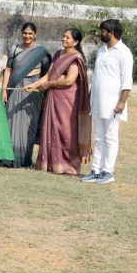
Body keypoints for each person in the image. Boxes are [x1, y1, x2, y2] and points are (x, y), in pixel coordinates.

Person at [24, 28, 91, 176]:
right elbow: (49, 76)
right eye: (63, 36)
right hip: (53, 97)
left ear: (76, 41)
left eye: (67, 37)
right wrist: (34, 85)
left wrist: (49, 85)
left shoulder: (76, 58)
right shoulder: (58, 54)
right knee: (52, 129)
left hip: (68, 100)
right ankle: (50, 164)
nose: (64, 39)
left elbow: (69, 80)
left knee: (66, 130)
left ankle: (68, 166)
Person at [81, 19, 133, 185]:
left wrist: (122, 102)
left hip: (113, 104)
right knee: (98, 137)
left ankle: (107, 171)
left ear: (112, 33)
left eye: (104, 31)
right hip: (97, 101)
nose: (101, 33)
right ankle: (95, 170)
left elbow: (127, 81)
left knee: (110, 137)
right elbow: (96, 77)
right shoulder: (101, 50)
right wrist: (90, 97)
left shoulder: (124, 52)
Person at [0, 22, 52, 167]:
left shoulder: (41, 52)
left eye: (30, 33)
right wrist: (4, 89)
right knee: (10, 122)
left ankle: (24, 158)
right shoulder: (15, 49)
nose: (27, 36)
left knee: (29, 124)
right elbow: (8, 70)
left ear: (35, 34)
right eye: (24, 33)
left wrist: (42, 91)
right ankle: (8, 158)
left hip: (32, 93)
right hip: (14, 90)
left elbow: (47, 74)